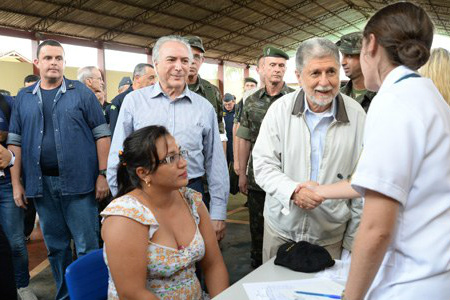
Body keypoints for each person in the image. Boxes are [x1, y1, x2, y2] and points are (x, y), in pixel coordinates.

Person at [326, 3, 450, 300]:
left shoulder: (393, 102)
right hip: (435, 274)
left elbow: (376, 228)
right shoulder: (429, 96)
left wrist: (351, 297)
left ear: (370, 43)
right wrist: (322, 190)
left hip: (409, 282)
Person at [7, 39, 111, 300]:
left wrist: (102, 174)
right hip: (42, 186)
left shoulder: (82, 93)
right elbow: (15, 142)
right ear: (38, 62)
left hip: (80, 184)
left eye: (59, 58)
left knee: (87, 246)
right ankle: (66, 297)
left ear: (64, 63)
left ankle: (92, 296)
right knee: (56, 248)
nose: (54, 63)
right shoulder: (23, 98)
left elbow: (102, 135)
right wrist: (17, 183)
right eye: (49, 58)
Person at [252, 38, 366, 264]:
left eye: (331, 71)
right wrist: (293, 191)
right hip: (281, 231)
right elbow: (263, 165)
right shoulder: (279, 111)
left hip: (329, 237)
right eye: (315, 73)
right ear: (298, 76)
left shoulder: (357, 116)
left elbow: (362, 182)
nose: (324, 82)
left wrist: (352, 243)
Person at [107, 35, 229, 241]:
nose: (179, 67)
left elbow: (215, 162)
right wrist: (123, 200)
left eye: (185, 61)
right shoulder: (134, 102)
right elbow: (117, 155)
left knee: (193, 257)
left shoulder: (204, 108)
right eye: (171, 60)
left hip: (191, 190)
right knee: (146, 259)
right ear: (156, 64)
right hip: (143, 192)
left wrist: (217, 212)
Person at [102, 125, 229, 300]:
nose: (183, 163)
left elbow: (214, 264)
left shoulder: (192, 201)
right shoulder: (125, 218)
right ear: (143, 173)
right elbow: (133, 293)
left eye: (180, 153)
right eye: (170, 158)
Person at [236, 46, 294, 268]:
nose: (277, 70)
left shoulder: (294, 98)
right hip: (258, 177)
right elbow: (244, 138)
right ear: (260, 69)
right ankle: (257, 268)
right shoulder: (251, 101)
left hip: (288, 177)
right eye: (272, 65)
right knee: (257, 228)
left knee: (287, 229)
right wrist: (241, 173)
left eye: (281, 66)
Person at [0, 93, 37, 300]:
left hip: (5, 184)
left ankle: (22, 285)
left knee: (15, 242)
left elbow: (18, 141)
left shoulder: (7, 103)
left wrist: (16, 180)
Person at [233, 56, 265, 177]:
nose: (250, 88)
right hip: (251, 153)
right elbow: (237, 129)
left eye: (252, 85)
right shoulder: (245, 101)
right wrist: (237, 160)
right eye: (248, 85)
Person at [106, 63, 156, 135]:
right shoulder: (120, 101)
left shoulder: (151, 100)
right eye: (151, 78)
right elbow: (116, 133)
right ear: (137, 78)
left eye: (155, 78)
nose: (154, 82)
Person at [337, 32, 376, 112]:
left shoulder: (381, 96)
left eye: (349, 56)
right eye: (343, 55)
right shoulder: (339, 96)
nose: (343, 62)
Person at [223, 93, 236, 166]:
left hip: (234, 140)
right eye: (225, 104)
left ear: (233, 102)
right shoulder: (221, 110)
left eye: (229, 104)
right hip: (225, 140)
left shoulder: (238, 110)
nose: (227, 106)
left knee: (234, 160)